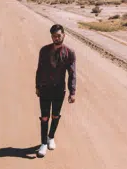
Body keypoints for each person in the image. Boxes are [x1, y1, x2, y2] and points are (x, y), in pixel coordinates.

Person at [35, 24, 76, 157]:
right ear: (51, 36)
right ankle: (43, 144)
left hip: (59, 89)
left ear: (64, 35)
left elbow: (72, 73)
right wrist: (37, 86)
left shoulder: (69, 53)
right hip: (45, 89)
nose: (56, 38)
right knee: (45, 117)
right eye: (54, 36)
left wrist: (72, 91)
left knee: (55, 115)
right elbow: (39, 69)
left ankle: (51, 137)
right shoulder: (44, 50)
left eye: (59, 35)